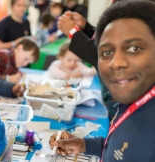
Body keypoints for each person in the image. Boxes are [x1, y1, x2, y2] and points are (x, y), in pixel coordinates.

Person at [50, 1, 155, 161]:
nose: (116, 63)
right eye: (106, 52)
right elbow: (120, 148)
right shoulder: (132, 102)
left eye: (134, 48)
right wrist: (83, 144)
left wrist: (72, 31)